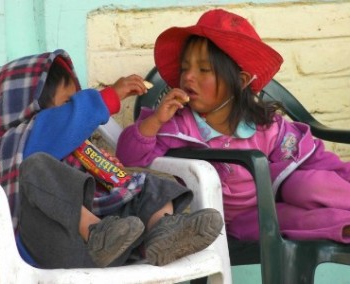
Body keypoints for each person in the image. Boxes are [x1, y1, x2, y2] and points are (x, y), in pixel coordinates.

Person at [0, 49, 224, 276]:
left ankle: (162, 232)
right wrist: (109, 96)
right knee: (37, 167)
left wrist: (129, 189)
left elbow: (122, 180)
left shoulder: (80, 148)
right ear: (33, 107)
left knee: (144, 182)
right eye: (68, 102)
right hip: (51, 248)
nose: (75, 108)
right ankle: (97, 232)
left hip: (111, 248)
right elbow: (65, 122)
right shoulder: (23, 137)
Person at [116, 9, 350, 244]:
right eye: (185, 68)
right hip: (238, 221)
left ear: (240, 81)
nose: (188, 77)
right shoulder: (179, 126)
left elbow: (316, 159)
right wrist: (155, 121)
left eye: (204, 70)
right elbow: (128, 158)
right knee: (292, 219)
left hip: (276, 197)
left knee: (304, 186)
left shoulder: (264, 127)